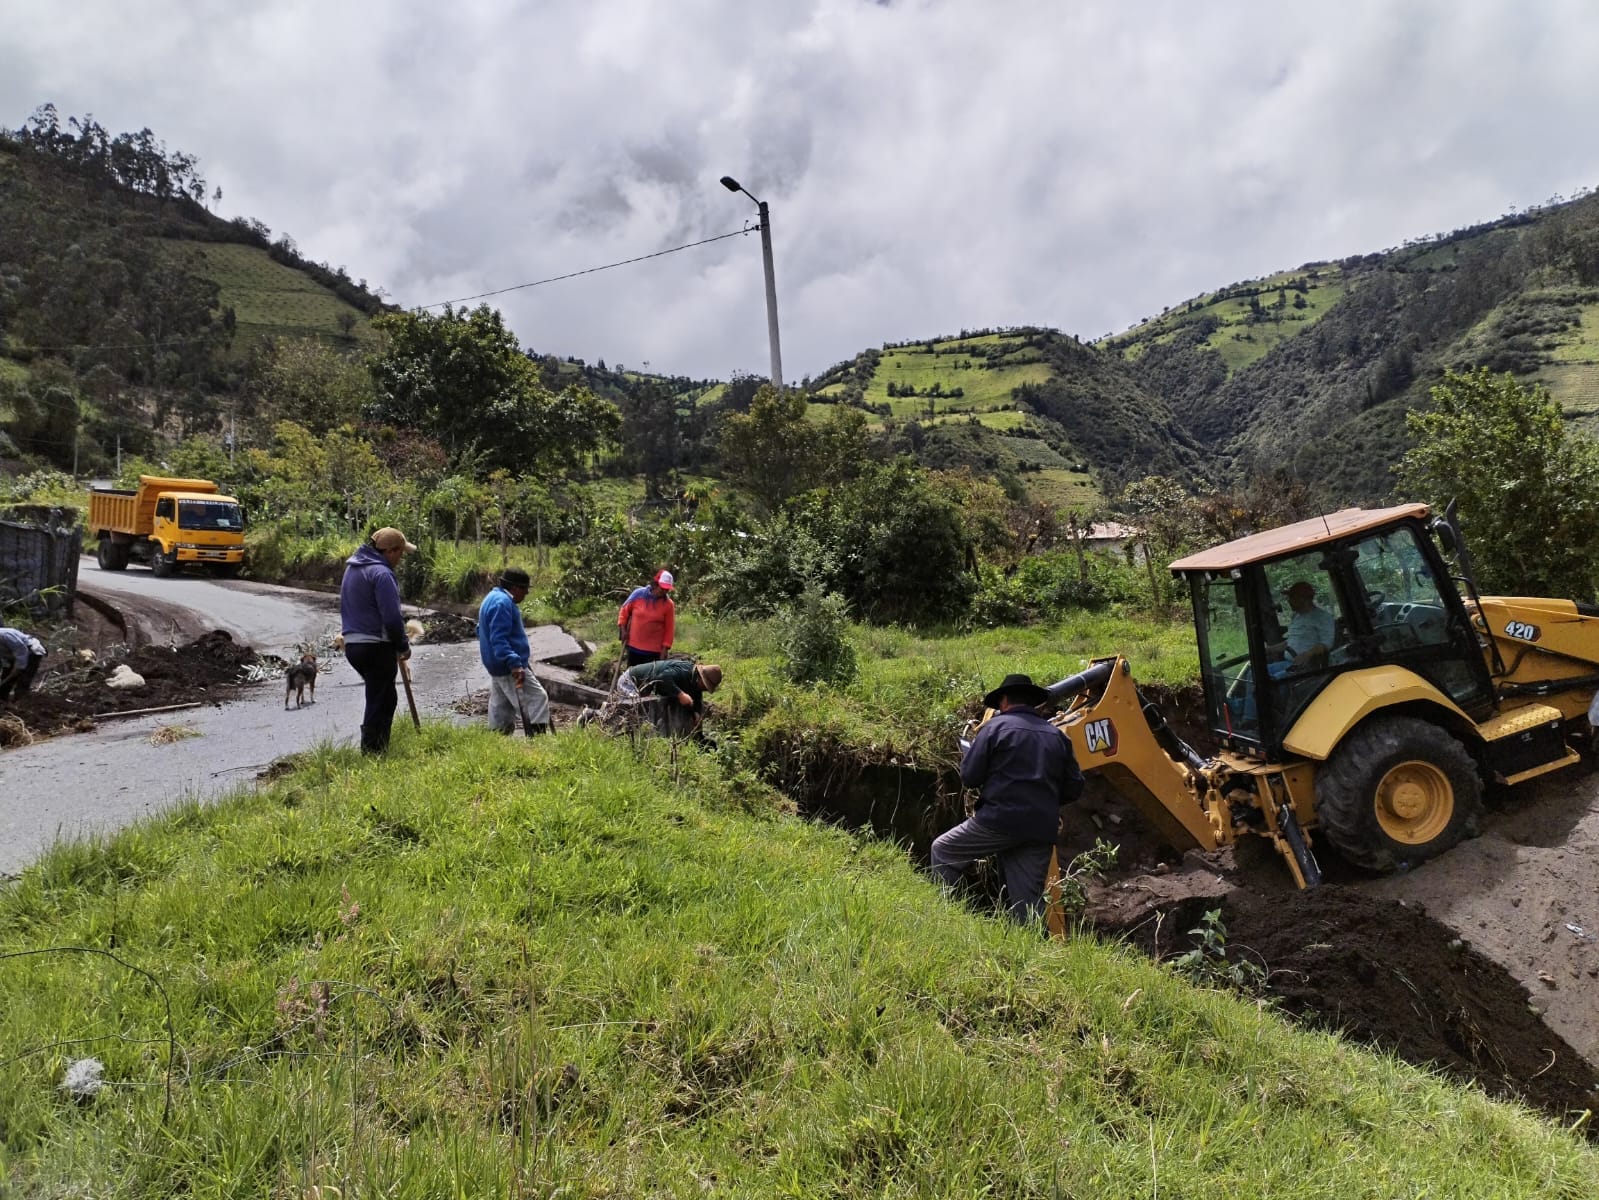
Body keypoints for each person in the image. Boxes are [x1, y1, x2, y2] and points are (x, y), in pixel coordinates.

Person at [932, 673, 1085, 925]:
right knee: (1027, 907)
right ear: (1033, 702)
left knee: (944, 850)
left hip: (998, 821)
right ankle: (1035, 957)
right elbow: (1074, 787)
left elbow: (970, 777)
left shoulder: (994, 729)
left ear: (1003, 701)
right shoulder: (1057, 736)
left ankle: (946, 921)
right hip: (1040, 828)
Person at [339, 527, 416, 755]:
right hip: (375, 645)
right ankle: (373, 752)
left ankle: (376, 750)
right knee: (381, 699)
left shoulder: (353, 569)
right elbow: (392, 618)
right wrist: (403, 645)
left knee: (381, 696)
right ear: (390, 551)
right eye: (400, 553)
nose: (400, 559)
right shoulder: (382, 574)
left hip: (353, 644)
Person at [477, 567, 553, 736]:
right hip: (506, 666)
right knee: (537, 698)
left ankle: (497, 741)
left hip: (496, 665)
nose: (525, 595)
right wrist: (514, 662)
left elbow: (480, 629)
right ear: (515, 588)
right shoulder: (502, 603)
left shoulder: (491, 598)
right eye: (525, 590)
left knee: (501, 706)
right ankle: (537, 741)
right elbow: (499, 639)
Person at [617, 658, 722, 738]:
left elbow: (696, 700)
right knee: (637, 709)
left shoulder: (695, 683)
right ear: (700, 678)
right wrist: (680, 694)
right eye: (704, 685)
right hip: (629, 682)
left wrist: (696, 714)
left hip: (645, 689)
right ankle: (628, 736)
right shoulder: (683, 672)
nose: (703, 689)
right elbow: (662, 678)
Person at [617, 569, 676, 668]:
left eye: (667, 590)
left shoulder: (668, 605)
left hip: (653, 652)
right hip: (633, 647)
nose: (664, 592)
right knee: (632, 677)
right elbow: (624, 611)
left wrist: (665, 648)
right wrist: (622, 629)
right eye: (662, 589)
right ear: (655, 584)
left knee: (648, 680)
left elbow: (669, 629)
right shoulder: (638, 595)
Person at [1282, 580, 1336, 668]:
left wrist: (1307, 655)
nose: (1289, 601)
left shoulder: (1322, 617)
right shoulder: (1296, 616)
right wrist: (1269, 649)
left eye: (1292, 597)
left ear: (1304, 599)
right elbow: (1290, 641)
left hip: (1306, 667)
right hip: (1288, 662)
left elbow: (1326, 644)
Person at [0, 626, 46, 700]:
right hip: (12, 656)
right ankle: (3, 701)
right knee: (5, 678)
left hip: (31, 651)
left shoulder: (4, 635)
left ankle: (20, 703)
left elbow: (21, 650)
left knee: (23, 680)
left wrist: (18, 668)